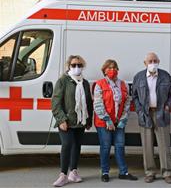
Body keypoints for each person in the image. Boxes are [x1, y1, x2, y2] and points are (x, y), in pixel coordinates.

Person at [132, 52, 171, 184]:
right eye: (150, 61)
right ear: (145, 63)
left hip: (161, 113)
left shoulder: (165, 76)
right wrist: (140, 110)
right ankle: (150, 172)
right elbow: (134, 96)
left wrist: (167, 106)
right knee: (147, 145)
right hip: (145, 114)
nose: (152, 63)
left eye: (155, 61)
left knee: (164, 145)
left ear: (159, 62)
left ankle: (167, 172)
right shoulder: (138, 77)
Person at [51, 55, 93, 187]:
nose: (77, 67)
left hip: (80, 121)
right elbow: (55, 103)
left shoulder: (85, 83)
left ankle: (73, 172)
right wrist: (61, 119)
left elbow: (88, 103)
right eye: (74, 65)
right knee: (67, 144)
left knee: (76, 146)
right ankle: (63, 175)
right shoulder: (63, 81)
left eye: (79, 65)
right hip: (66, 122)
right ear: (69, 66)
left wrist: (88, 120)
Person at [93, 59, 138, 182]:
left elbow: (127, 102)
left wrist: (123, 119)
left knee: (120, 146)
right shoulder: (99, 84)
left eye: (114, 67)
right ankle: (105, 172)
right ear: (104, 70)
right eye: (109, 68)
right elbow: (98, 104)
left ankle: (123, 172)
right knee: (106, 147)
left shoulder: (123, 84)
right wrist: (107, 120)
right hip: (104, 122)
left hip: (119, 122)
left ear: (117, 70)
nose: (112, 70)